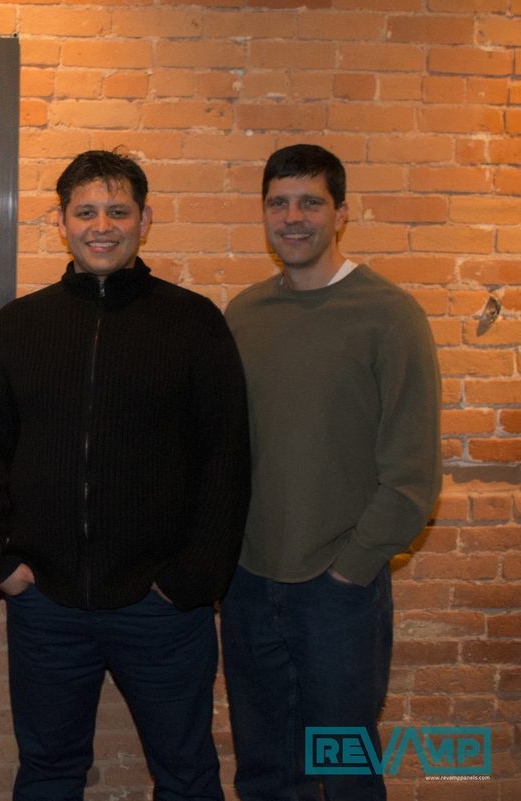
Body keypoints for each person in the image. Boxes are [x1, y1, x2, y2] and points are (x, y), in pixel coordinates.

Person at [0, 150, 250, 801]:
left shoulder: (193, 322)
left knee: (186, 773)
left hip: (161, 606)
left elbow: (226, 462)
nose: (101, 226)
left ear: (144, 220)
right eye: (85, 211)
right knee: (48, 772)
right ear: (61, 221)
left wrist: (190, 581)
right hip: (46, 604)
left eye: (118, 211)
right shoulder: (20, 326)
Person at [221, 144, 441, 800]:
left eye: (310, 202)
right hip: (248, 584)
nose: (293, 217)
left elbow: (412, 473)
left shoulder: (389, 315)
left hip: (338, 590)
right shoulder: (244, 316)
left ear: (341, 213)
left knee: (344, 772)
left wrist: (351, 570)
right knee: (264, 771)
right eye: (279, 203)